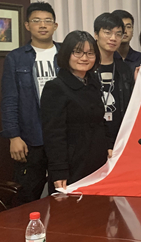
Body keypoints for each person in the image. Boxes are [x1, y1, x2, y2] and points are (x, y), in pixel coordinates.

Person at [0, 1, 60, 203]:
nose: (42, 25)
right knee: (26, 195)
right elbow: (9, 99)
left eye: (47, 21)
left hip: (62, 135)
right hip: (30, 137)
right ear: (27, 25)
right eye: (36, 21)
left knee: (63, 194)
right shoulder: (16, 58)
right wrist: (13, 136)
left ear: (55, 25)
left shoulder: (67, 54)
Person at [41, 31, 113, 191]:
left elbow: (100, 120)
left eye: (90, 53)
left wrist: (109, 144)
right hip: (72, 165)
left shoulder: (93, 82)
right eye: (78, 52)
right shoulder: (55, 88)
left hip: (98, 161)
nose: (84, 58)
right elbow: (53, 135)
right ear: (67, 54)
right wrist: (59, 170)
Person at [93, 12, 135, 141]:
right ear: (96, 35)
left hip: (121, 136)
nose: (113, 38)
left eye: (118, 34)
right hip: (93, 138)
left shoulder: (125, 69)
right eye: (108, 33)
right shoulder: (86, 67)